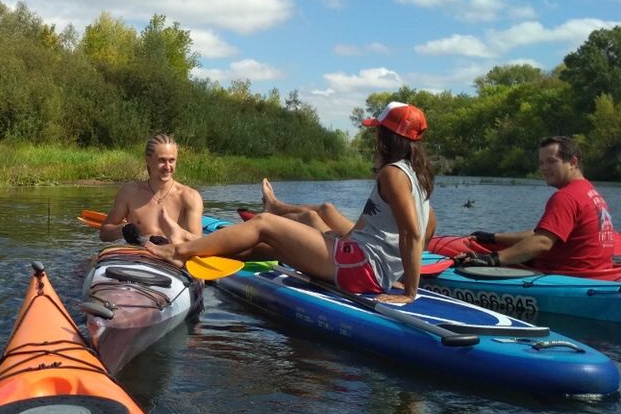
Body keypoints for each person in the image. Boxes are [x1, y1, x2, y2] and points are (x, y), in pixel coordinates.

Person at [147, 102, 437, 304]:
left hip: (360, 267)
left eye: (377, 131)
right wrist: (398, 274)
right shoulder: (417, 177)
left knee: (264, 224)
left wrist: (409, 290)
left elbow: (412, 233)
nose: (374, 136)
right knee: (274, 244)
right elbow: (427, 228)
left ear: (387, 136)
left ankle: (178, 251)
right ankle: (205, 259)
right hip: (365, 265)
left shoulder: (392, 173)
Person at [455, 136, 620, 279]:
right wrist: (494, 237)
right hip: (598, 274)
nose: (544, 168)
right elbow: (543, 234)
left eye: (551, 161)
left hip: (571, 277)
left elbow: (542, 242)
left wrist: (491, 259)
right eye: (541, 162)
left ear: (572, 162)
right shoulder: (589, 191)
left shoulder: (566, 197)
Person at [99, 133, 204, 246]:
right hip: (137, 255)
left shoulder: (190, 197)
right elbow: (104, 233)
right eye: (162, 160)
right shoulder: (129, 192)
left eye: (172, 160)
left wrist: (177, 234)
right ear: (148, 160)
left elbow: (198, 243)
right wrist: (124, 230)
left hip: (171, 257)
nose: (167, 167)